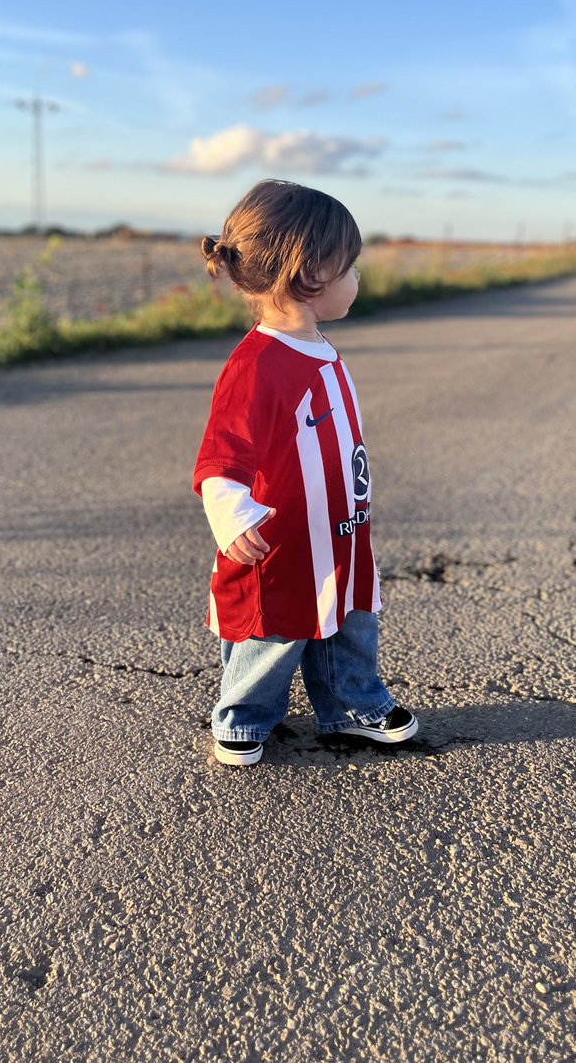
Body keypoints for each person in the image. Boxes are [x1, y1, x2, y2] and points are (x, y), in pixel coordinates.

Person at [193, 179, 418, 766]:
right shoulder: (259, 364)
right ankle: (244, 717)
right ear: (308, 273)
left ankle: (352, 706)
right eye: (351, 267)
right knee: (275, 630)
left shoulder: (317, 346)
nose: (358, 279)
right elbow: (223, 454)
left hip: (338, 529)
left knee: (348, 618)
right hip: (285, 536)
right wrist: (232, 513)